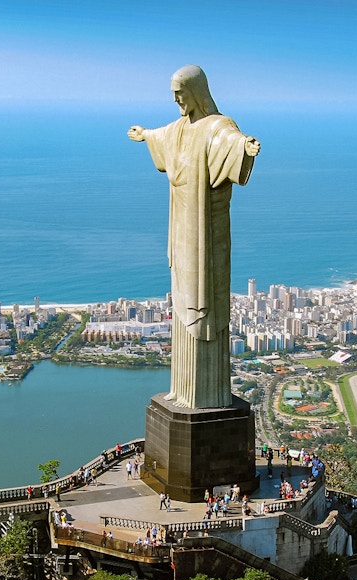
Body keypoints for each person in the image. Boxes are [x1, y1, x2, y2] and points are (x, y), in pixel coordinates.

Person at [128, 65, 260, 409]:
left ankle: (208, 395)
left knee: (206, 304)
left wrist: (244, 147)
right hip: (182, 229)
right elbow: (163, 136)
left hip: (206, 231)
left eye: (181, 93)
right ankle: (183, 392)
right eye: (173, 95)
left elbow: (230, 142)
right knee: (183, 301)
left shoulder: (218, 126)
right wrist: (145, 134)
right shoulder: (180, 128)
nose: (176, 100)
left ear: (197, 92)